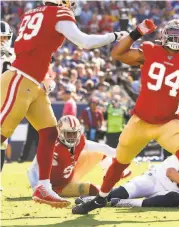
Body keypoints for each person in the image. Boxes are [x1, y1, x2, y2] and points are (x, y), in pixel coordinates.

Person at [72, 19, 179, 220]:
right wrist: (137, 32)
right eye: (172, 34)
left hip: (167, 123)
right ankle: (101, 198)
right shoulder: (150, 51)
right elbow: (116, 53)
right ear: (164, 36)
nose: (176, 39)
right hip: (140, 121)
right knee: (119, 163)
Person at [0, 0, 128, 208]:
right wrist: (114, 36)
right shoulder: (58, 13)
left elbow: (36, 46)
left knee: (50, 133)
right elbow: (84, 42)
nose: (72, 5)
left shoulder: (31, 13)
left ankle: (43, 186)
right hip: (21, 79)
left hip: (34, 82)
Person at [76, 131, 179, 209]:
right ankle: (92, 200)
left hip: (170, 192)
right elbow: (171, 173)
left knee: (175, 199)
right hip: (155, 178)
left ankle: (122, 203)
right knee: (120, 192)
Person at [27, 115, 131, 197]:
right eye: (68, 134)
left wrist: (119, 154)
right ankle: (112, 192)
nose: (72, 137)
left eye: (74, 134)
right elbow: (33, 169)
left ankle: (111, 173)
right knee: (93, 189)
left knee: (99, 152)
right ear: (59, 132)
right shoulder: (52, 145)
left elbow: (100, 147)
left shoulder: (80, 141)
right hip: (58, 187)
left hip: (71, 174)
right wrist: (38, 188)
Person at [1, 21, 15, 188]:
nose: (2, 41)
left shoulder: (14, 54)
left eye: (5, 38)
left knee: (2, 142)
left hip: (5, 103)